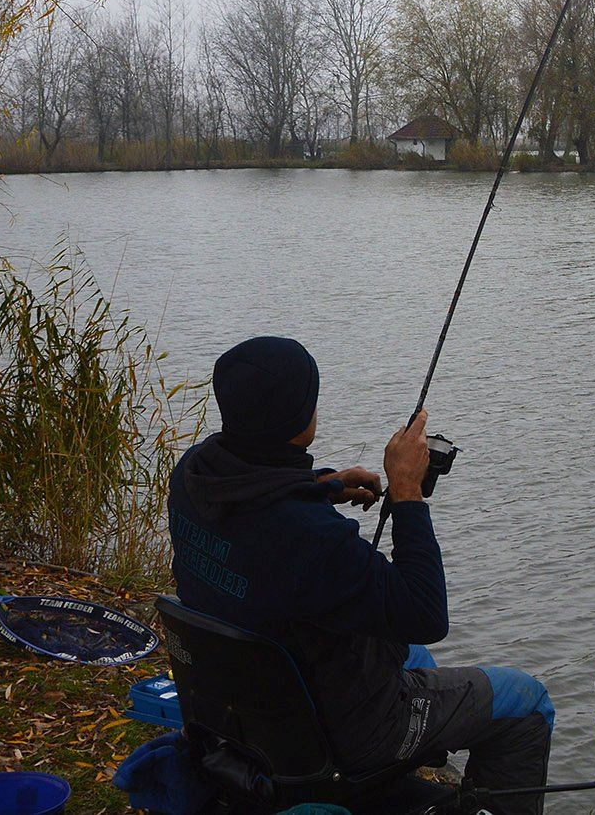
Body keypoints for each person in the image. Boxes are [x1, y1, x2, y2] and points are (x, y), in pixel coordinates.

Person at [167, 335, 553, 814]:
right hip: (346, 730)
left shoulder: (193, 475)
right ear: (297, 417)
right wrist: (407, 490)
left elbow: (255, 509)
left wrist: (320, 485)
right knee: (528, 702)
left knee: (413, 657)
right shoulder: (312, 541)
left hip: (245, 704)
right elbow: (426, 615)